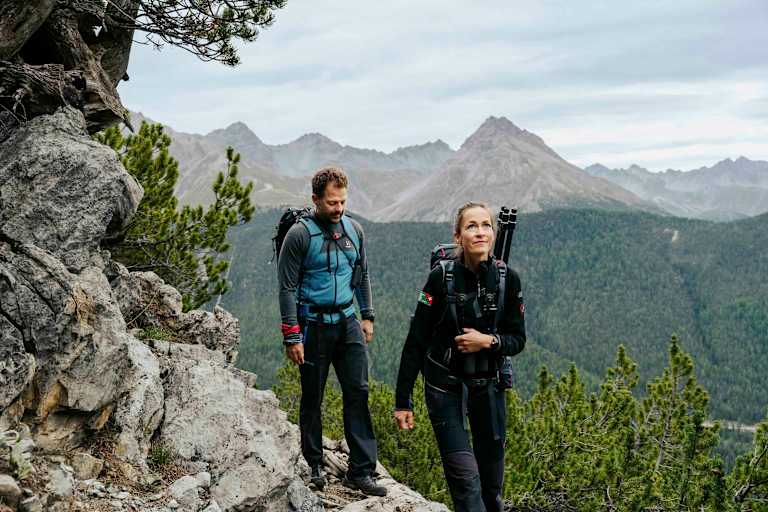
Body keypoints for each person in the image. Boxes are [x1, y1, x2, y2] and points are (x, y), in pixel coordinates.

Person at [394, 202, 526, 512]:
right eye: (471, 226)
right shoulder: (441, 279)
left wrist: (488, 341)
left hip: (489, 387)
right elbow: (415, 342)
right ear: (458, 236)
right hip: (446, 389)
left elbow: (518, 340)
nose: (480, 232)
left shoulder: (508, 279)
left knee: (492, 492)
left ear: (494, 233)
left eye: (486, 225)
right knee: (467, 487)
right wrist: (403, 401)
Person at [278, 166, 386, 497]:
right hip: (312, 325)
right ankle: (314, 465)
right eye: (331, 203)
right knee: (313, 396)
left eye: (342, 202)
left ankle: (362, 470)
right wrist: (292, 335)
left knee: (359, 391)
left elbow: (362, 274)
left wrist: (367, 315)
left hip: (348, 321)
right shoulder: (299, 235)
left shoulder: (355, 231)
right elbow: (286, 288)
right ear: (315, 200)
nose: (338, 209)